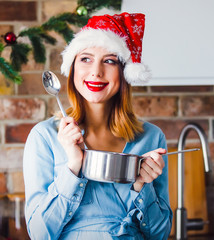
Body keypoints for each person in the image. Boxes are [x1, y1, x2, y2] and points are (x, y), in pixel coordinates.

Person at [23, 12, 173, 240]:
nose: (96, 71)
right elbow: (39, 234)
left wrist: (143, 186)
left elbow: (160, 234)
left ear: (124, 71)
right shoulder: (44, 136)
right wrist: (73, 166)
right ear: (72, 67)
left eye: (110, 60)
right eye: (86, 58)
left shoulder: (151, 137)